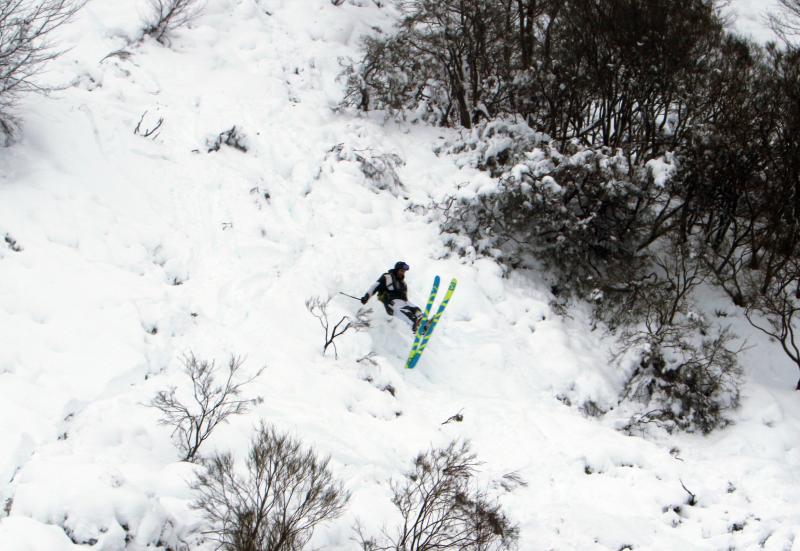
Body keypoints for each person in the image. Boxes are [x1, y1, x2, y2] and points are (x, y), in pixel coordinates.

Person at [361, 261, 425, 333]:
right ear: (396, 269)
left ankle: (422, 321)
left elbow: (406, 300)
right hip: (390, 301)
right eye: (401, 270)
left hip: (403, 301)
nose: (402, 273)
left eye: (404, 271)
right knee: (404, 310)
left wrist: (412, 308)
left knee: (415, 308)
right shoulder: (387, 277)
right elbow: (375, 286)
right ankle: (414, 324)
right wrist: (366, 297)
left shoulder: (403, 284)